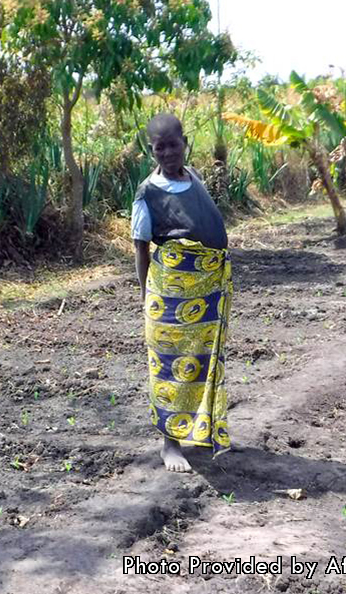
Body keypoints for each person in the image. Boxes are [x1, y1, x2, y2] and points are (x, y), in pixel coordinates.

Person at [131, 113, 232, 473]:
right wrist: (146, 296)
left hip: (205, 290)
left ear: (185, 142)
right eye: (161, 147)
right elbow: (141, 248)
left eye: (174, 144)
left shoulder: (194, 179)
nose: (168, 153)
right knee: (169, 368)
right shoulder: (148, 193)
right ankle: (169, 444)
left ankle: (199, 430)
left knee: (201, 360)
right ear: (151, 150)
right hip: (171, 293)